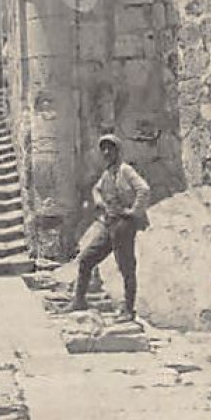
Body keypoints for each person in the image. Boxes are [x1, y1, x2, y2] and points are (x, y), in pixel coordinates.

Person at [67, 134, 150, 322]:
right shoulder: (107, 173)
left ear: (117, 151)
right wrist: (100, 203)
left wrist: (134, 211)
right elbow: (96, 189)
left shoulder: (125, 170)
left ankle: (128, 310)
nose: (106, 152)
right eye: (103, 149)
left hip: (124, 225)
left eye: (110, 148)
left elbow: (144, 189)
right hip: (109, 223)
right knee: (86, 259)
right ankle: (79, 300)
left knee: (126, 267)